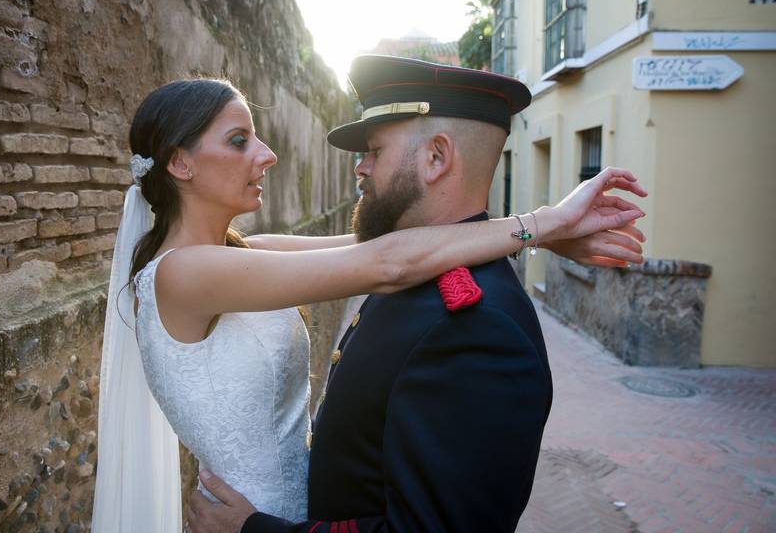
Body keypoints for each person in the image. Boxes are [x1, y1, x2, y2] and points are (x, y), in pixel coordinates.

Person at [93, 68, 647, 532]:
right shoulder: (186, 273)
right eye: (239, 140)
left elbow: (375, 245)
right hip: (247, 521)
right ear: (180, 163)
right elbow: (388, 263)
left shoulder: (244, 254)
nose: (267, 154)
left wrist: (543, 234)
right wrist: (545, 221)